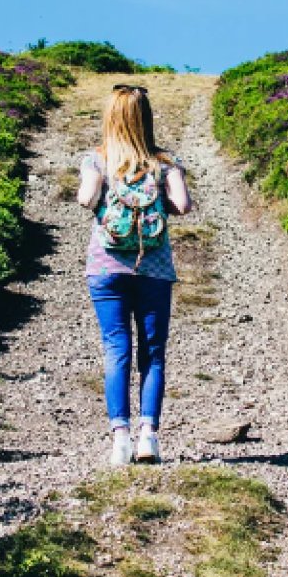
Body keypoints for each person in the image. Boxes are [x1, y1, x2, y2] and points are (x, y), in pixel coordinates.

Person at [77, 84, 192, 466]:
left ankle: (120, 439)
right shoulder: (165, 162)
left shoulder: (97, 161)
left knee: (116, 349)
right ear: (145, 119)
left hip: (107, 268)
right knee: (153, 354)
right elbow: (183, 206)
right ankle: (149, 437)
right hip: (154, 269)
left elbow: (85, 200)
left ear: (111, 118)